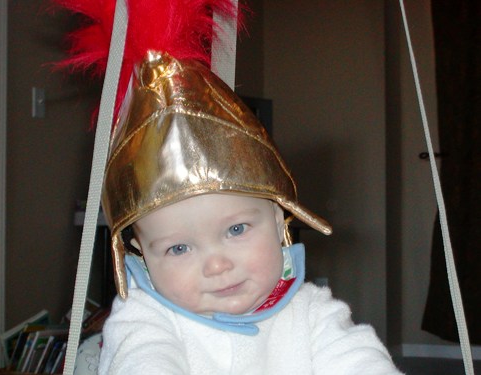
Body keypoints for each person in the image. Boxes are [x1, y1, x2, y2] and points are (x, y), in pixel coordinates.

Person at [95, 51, 403, 374]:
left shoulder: (309, 310)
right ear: (140, 254)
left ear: (276, 217)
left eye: (237, 230)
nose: (217, 265)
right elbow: (142, 360)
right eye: (179, 248)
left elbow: (356, 359)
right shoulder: (144, 318)